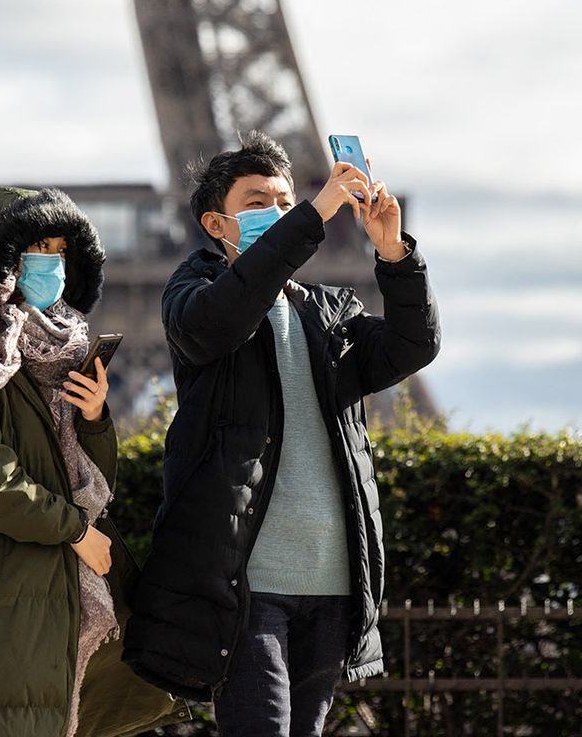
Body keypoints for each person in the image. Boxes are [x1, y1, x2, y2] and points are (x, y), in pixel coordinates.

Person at [122, 132, 442, 736]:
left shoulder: (328, 311)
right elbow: (222, 320)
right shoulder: (191, 299)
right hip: (248, 584)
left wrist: (395, 255)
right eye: (258, 202)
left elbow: (412, 346)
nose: (279, 211)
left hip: (330, 580)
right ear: (217, 224)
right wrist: (314, 215)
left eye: (286, 198)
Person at [0, 187, 187, 737]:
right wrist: (74, 533)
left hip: (34, 605)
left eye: (59, 248)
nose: (51, 261)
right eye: (34, 248)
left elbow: (83, 483)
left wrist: (92, 419)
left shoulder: (56, 357)